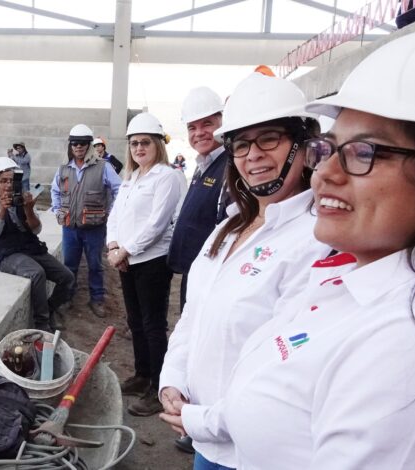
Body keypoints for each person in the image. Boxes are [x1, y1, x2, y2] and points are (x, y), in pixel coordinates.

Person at [178, 29, 415, 469]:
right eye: (331, 149)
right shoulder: (345, 280)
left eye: (365, 152)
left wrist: (200, 419)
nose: (324, 174)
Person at [158, 73, 332, 470]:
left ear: (304, 147)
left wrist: (199, 420)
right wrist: (173, 381)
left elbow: (287, 370)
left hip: (258, 452)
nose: (252, 154)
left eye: (269, 138)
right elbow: (194, 316)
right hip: (207, 440)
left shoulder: (316, 238)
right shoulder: (228, 227)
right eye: (241, 144)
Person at [106, 113, 186, 417]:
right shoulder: (132, 177)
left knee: (153, 325)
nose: (139, 148)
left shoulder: (167, 176)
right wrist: (114, 246)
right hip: (127, 259)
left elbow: (157, 223)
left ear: (157, 145)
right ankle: (142, 374)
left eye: (145, 142)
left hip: (151, 262)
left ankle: (157, 385)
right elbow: (116, 216)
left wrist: (126, 250)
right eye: (134, 143)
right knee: (135, 321)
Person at [165, 86, 231, 455]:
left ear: (223, 124)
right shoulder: (205, 165)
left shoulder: (228, 166)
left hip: (212, 277)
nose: (199, 133)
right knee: (191, 339)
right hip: (197, 272)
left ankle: (197, 426)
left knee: (206, 345)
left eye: (208, 124)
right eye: (193, 127)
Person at [0, 157, 74, 333]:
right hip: (6, 254)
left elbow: (36, 229)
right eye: (3, 181)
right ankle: (42, 323)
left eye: (11, 181)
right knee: (36, 273)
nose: (8, 185)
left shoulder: (23, 199)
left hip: (30, 248)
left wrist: (29, 209)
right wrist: (2, 210)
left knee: (67, 278)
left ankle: (50, 308)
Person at [51, 124, 122, 318]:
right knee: (69, 266)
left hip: (95, 228)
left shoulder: (103, 167)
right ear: (70, 145)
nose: (78, 147)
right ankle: (67, 298)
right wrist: (58, 210)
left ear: (89, 145)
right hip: (70, 228)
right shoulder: (64, 168)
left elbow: (120, 190)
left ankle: (97, 299)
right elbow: (55, 191)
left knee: (95, 265)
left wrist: (111, 213)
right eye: (74, 143)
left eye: (82, 143)